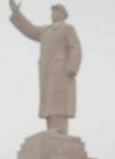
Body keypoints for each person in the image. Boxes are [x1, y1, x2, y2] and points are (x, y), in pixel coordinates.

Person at [8, 0, 82, 135]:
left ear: (63, 14)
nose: (53, 14)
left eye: (56, 11)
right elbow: (29, 29)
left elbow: (75, 48)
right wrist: (17, 13)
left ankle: (60, 129)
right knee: (49, 102)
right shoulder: (45, 30)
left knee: (59, 101)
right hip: (47, 72)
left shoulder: (67, 28)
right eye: (52, 11)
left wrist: (72, 66)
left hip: (61, 70)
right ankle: (51, 129)